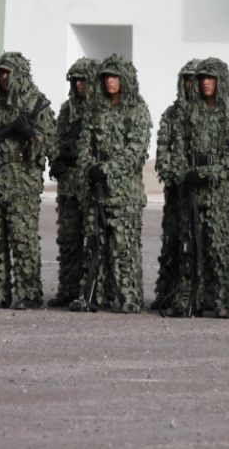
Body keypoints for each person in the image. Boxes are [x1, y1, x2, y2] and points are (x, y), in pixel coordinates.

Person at [0, 52, 55, 309]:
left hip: (21, 183)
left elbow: (49, 145)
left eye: (8, 72)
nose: (4, 77)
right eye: (0, 73)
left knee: (23, 239)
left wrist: (30, 135)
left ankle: (29, 294)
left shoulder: (35, 103)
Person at [69, 54, 152, 313]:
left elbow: (135, 151)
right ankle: (96, 295)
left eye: (114, 77)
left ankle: (130, 298)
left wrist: (107, 169)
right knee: (95, 243)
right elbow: (83, 144)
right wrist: (90, 168)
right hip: (96, 186)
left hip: (123, 190)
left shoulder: (137, 109)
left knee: (124, 246)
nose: (110, 82)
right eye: (106, 77)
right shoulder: (95, 110)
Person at [170, 57, 229, 318]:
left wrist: (208, 174)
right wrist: (185, 173)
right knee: (190, 246)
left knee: (221, 248)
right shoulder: (191, 112)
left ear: (221, 81)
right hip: (192, 189)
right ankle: (191, 297)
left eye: (210, 78)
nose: (205, 83)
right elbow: (178, 147)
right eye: (202, 78)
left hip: (220, 192)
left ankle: (226, 301)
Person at [47, 57, 101, 307]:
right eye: (76, 80)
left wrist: (78, 153)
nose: (79, 84)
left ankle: (88, 292)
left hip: (89, 185)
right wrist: (57, 159)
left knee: (90, 240)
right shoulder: (67, 110)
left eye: (83, 79)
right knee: (68, 241)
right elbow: (55, 139)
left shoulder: (101, 110)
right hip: (68, 185)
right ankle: (67, 289)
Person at [150, 59, 200, 312]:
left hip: (197, 190)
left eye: (195, 79)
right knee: (171, 241)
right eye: (187, 79)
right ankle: (167, 292)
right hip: (175, 188)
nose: (191, 84)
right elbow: (163, 148)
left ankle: (193, 295)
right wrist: (174, 174)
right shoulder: (172, 114)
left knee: (193, 243)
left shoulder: (205, 114)